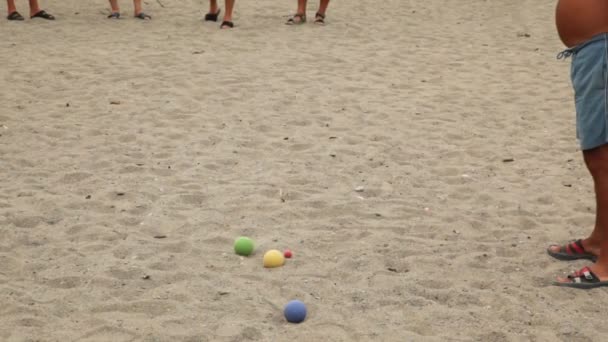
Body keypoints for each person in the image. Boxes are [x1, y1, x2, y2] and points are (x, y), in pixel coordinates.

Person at [548, 0, 608, 289]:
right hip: (593, 50)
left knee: (605, 157)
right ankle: (600, 239)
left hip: (603, 48)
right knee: (596, 156)